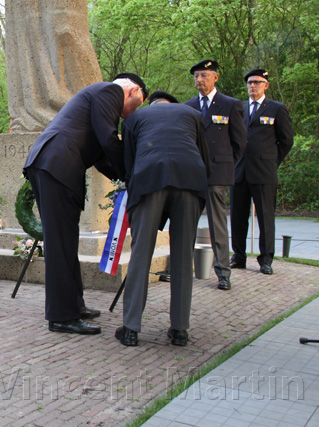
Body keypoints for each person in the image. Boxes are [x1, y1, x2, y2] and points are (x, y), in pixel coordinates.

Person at [23, 72, 148, 335]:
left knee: (66, 242)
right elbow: (108, 138)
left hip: (56, 166)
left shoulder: (99, 100)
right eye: (136, 106)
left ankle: (74, 305)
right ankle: (61, 317)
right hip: (55, 165)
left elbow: (101, 154)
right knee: (59, 244)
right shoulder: (110, 91)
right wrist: (130, 174)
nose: (130, 115)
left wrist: (122, 176)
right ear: (133, 91)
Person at [115, 91, 210, 347]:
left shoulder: (135, 118)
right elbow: (203, 154)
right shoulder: (193, 114)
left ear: (152, 105)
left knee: (141, 254)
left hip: (149, 179)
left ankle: (131, 328)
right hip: (190, 180)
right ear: (173, 106)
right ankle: (180, 330)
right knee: (182, 256)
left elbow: (129, 164)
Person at [184, 60, 246, 291]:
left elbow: (239, 143)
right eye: (196, 76)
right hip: (192, 174)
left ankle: (223, 273)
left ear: (215, 77)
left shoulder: (230, 105)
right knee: (187, 223)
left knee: (217, 225)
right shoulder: (187, 106)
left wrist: (225, 165)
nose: (199, 80)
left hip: (218, 174)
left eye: (204, 75)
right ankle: (183, 270)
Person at [230, 69, 294, 275]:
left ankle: (266, 259)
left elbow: (286, 141)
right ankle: (238, 256)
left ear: (266, 85)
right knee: (238, 217)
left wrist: (272, 162)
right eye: (249, 82)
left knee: (265, 217)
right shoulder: (240, 107)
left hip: (264, 172)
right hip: (239, 171)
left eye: (257, 82)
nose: (252, 86)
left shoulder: (276, 109)